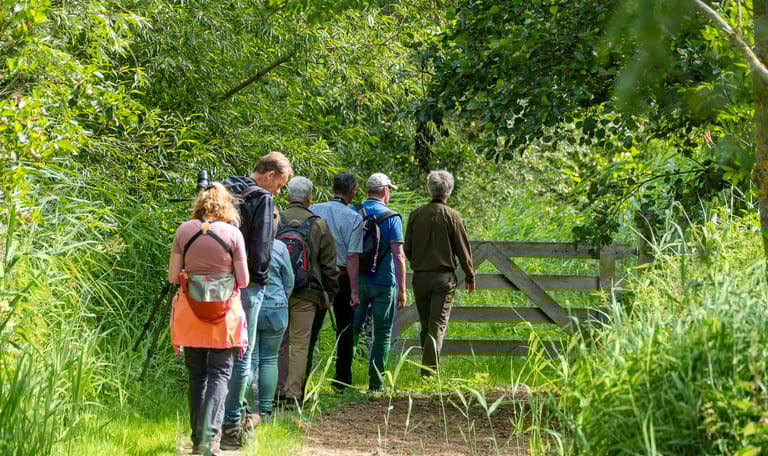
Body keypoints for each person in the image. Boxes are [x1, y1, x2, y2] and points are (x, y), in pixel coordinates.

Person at [167, 183, 249, 456]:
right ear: (226, 206)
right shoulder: (233, 234)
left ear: (200, 204)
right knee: (219, 374)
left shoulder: (183, 230)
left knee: (197, 375)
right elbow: (245, 280)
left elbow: (172, 277)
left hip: (191, 313)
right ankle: (210, 441)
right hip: (223, 314)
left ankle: (196, 440)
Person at [220, 151, 292, 450]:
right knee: (243, 353)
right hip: (247, 284)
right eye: (280, 183)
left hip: (213, 280)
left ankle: (217, 414)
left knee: (219, 351)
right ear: (270, 174)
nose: (279, 190)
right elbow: (261, 249)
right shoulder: (262, 198)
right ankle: (233, 422)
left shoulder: (223, 189)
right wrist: (256, 280)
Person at [404, 170, 475, 376]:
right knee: (437, 326)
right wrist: (470, 275)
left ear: (430, 189)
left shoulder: (416, 215)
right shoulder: (453, 216)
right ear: (449, 190)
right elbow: (462, 249)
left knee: (426, 325)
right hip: (444, 279)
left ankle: (426, 372)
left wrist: (420, 261)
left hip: (420, 277)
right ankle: (429, 375)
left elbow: (407, 249)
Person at [276, 177, 339, 406]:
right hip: (308, 293)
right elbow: (329, 265)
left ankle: (277, 392)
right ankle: (294, 395)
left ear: (287, 195)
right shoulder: (319, 224)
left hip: (279, 292)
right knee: (300, 344)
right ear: (309, 198)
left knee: (280, 343)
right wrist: (330, 294)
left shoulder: (276, 220)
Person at [305, 171, 363, 392]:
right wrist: (355, 291)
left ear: (333, 188)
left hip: (316, 277)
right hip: (342, 279)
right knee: (345, 330)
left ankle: (302, 379)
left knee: (311, 330)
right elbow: (352, 256)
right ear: (352, 191)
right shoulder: (355, 218)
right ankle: (341, 380)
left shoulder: (314, 210)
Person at [351, 173, 407, 393]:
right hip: (384, 282)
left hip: (357, 280)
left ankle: (342, 380)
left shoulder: (353, 212)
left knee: (352, 329)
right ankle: (376, 383)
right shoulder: (392, 217)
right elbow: (398, 255)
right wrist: (402, 289)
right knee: (382, 332)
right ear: (384, 191)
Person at [244, 232, 294, 422]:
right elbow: (289, 280)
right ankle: (265, 410)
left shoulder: (244, 242)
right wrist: (281, 300)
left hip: (249, 306)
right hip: (276, 307)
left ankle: (242, 405)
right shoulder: (280, 247)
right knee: (270, 359)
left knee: (250, 358)